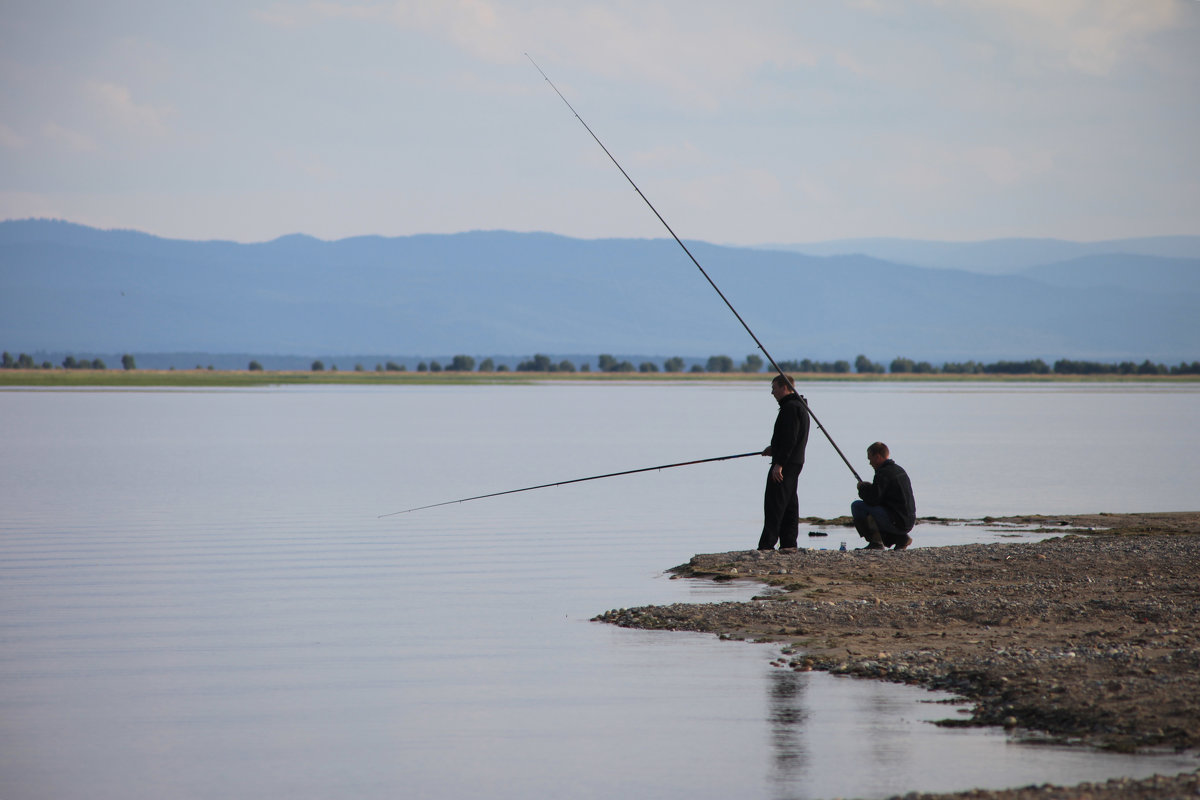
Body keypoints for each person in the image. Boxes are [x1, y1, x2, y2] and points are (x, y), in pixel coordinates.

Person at [757, 374, 810, 551]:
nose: (772, 392)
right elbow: (790, 439)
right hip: (795, 462)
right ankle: (788, 544)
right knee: (789, 503)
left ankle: (767, 544)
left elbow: (790, 439)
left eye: (774, 388)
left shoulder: (790, 408)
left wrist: (779, 463)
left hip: (786, 464)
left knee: (774, 503)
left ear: (785, 387)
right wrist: (774, 448)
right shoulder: (799, 406)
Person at [851, 442, 916, 550]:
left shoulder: (883, 473)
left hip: (898, 521)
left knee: (857, 506)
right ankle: (901, 538)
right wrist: (869, 487)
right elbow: (884, 495)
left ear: (877, 457)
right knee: (876, 510)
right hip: (907, 520)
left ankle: (876, 543)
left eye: (870, 459)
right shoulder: (898, 470)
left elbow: (873, 500)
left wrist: (862, 489)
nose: (870, 463)